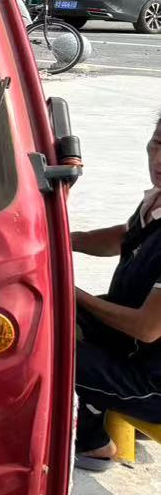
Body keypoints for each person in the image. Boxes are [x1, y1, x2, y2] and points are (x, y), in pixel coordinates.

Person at [71, 113, 161, 470]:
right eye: (157, 144)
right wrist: (63, 240)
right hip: (132, 347)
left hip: (152, 380)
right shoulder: (155, 201)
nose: (159, 160)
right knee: (49, 315)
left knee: (54, 357)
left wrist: (75, 293)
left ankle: (93, 444)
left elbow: (147, 328)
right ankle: (97, 403)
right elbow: (123, 238)